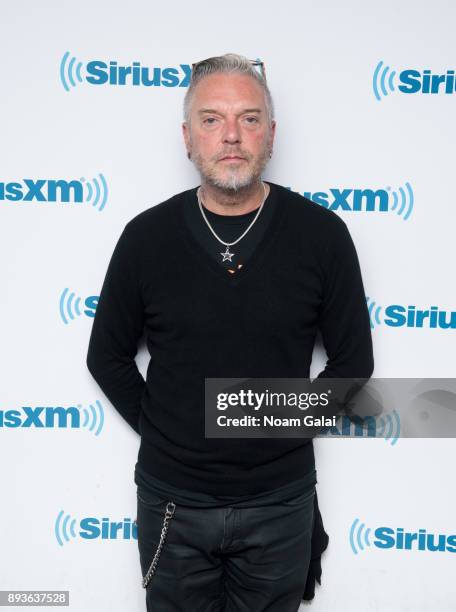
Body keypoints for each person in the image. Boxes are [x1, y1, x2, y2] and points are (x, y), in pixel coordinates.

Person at [86, 53, 374, 611]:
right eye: (212, 119)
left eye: (249, 117)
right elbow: (107, 357)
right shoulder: (146, 238)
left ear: (271, 133)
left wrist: (265, 428)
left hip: (281, 503)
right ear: (188, 137)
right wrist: (170, 431)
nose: (232, 136)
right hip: (172, 500)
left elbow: (352, 367)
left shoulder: (323, 236)